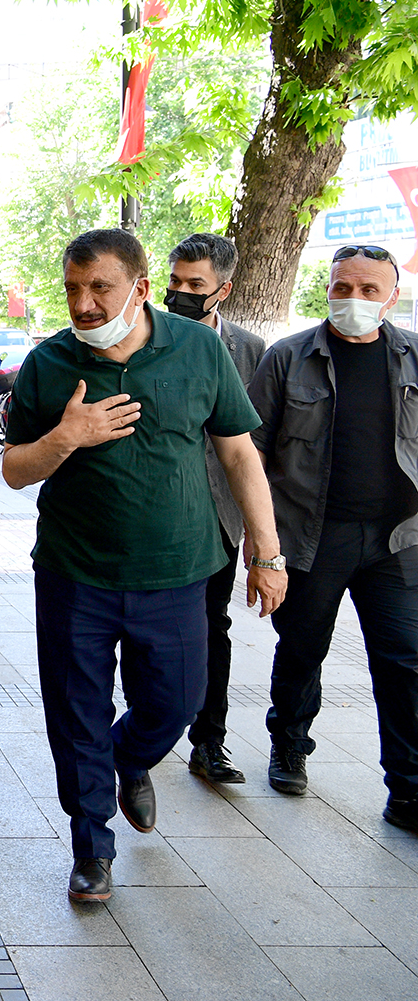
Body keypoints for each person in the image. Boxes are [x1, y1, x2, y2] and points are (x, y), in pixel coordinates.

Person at [2, 228, 286, 903]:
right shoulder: (49, 361)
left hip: (179, 570)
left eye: (100, 287)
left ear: (141, 287)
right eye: (73, 288)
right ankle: (92, 848)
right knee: (76, 713)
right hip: (74, 574)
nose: (84, 303)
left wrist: (267, 551)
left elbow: (239, 453)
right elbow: (13, 469)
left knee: (178, 702)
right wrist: (66, 437)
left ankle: (127, 757)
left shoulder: (199, 349)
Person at [247, 244, 418, 830]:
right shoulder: (288, 357)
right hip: (312, 536)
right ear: (328, 289)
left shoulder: (414, 357)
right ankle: (289, 745)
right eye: (343, 287)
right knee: (302, 646)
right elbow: (250, 452)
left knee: (406, 662)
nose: (354, 299)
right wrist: (262, 544)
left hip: (398, 540)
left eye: (369, 290)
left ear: (391, 297)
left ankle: (409, 790)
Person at [164, 233, 266, 786]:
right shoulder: (148, 337)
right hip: (160, 513)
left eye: (194, 284)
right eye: (174, 281)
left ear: (222, 291)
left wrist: (260, 533)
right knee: (149, 629)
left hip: (220, 520)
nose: (179, 293)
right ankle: (147, 731)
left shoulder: (250, 351)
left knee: (212, 626)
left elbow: (255, 447)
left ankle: (209, 742)